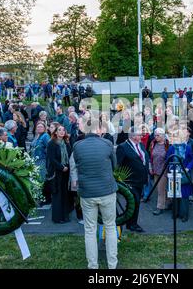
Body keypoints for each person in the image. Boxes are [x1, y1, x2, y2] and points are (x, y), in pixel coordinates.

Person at [72, 115, 118, 269]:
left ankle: (93, 266)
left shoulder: (77, 146)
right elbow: (114, 165)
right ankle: (112, 264)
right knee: (110, 226)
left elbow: (78, 164)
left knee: (89, 230)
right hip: (106, 190)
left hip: (87, 192)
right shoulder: (107, 143)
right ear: (98, 129)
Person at [116, 127, 150, 232]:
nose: (142, 136)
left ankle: (131, 223)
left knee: (136, 202)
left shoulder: (140, 145)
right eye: (140, 135)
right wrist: (120, 180)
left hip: (141, 180)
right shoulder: (123, 147)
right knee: (134, 202)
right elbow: (118, 164)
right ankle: (132, 224)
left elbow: (144, 158)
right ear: (133, 136)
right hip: (130, 181)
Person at [46, 124, 72, 223]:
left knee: (65, 193)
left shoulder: (66, 142)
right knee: (57, 194)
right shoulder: (51, 143)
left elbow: (70, 156)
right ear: (55, 132)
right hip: (56, 172)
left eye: (63, 130)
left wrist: (67, 167)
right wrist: (61, 167)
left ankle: (65, 216)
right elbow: (52, 159)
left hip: (66, 172)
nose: (62, 132)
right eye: (59, 130)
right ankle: (57, 218)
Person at [148, 128, 170, 216]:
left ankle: (160, 207)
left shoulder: (168, 145)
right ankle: (168, 202)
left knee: (161, 190)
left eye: (158, 135)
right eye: (155, 135)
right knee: (159, 189)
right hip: (155, 170)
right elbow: (150, 156)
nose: (156, 137)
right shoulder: (153, 144)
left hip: (164, 171)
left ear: (163, 136)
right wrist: (150, 167)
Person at [30, 122, 51, 207]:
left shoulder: (45, 136)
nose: (39, 128)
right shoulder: (36, 136)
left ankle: (46, 199)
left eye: (41, 127)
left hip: (42, 160)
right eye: (38, 127)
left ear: (44, 128)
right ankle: (41, 197)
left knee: (42, 180)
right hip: (35, 161)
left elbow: (49, 148)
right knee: (38, 180)